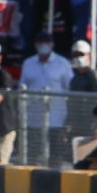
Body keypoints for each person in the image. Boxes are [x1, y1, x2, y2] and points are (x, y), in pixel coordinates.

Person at [18, 31, 74, 163]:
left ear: (52, 44)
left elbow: (69, 88)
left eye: (47, 42)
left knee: (55, 155)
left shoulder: (63, 63)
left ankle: (54, 181)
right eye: (40, 43)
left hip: (56, 118)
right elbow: (22, 88)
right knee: (32, 153)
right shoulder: (28, 63)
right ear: (35, 45)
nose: (43, 45)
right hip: (33, 118)